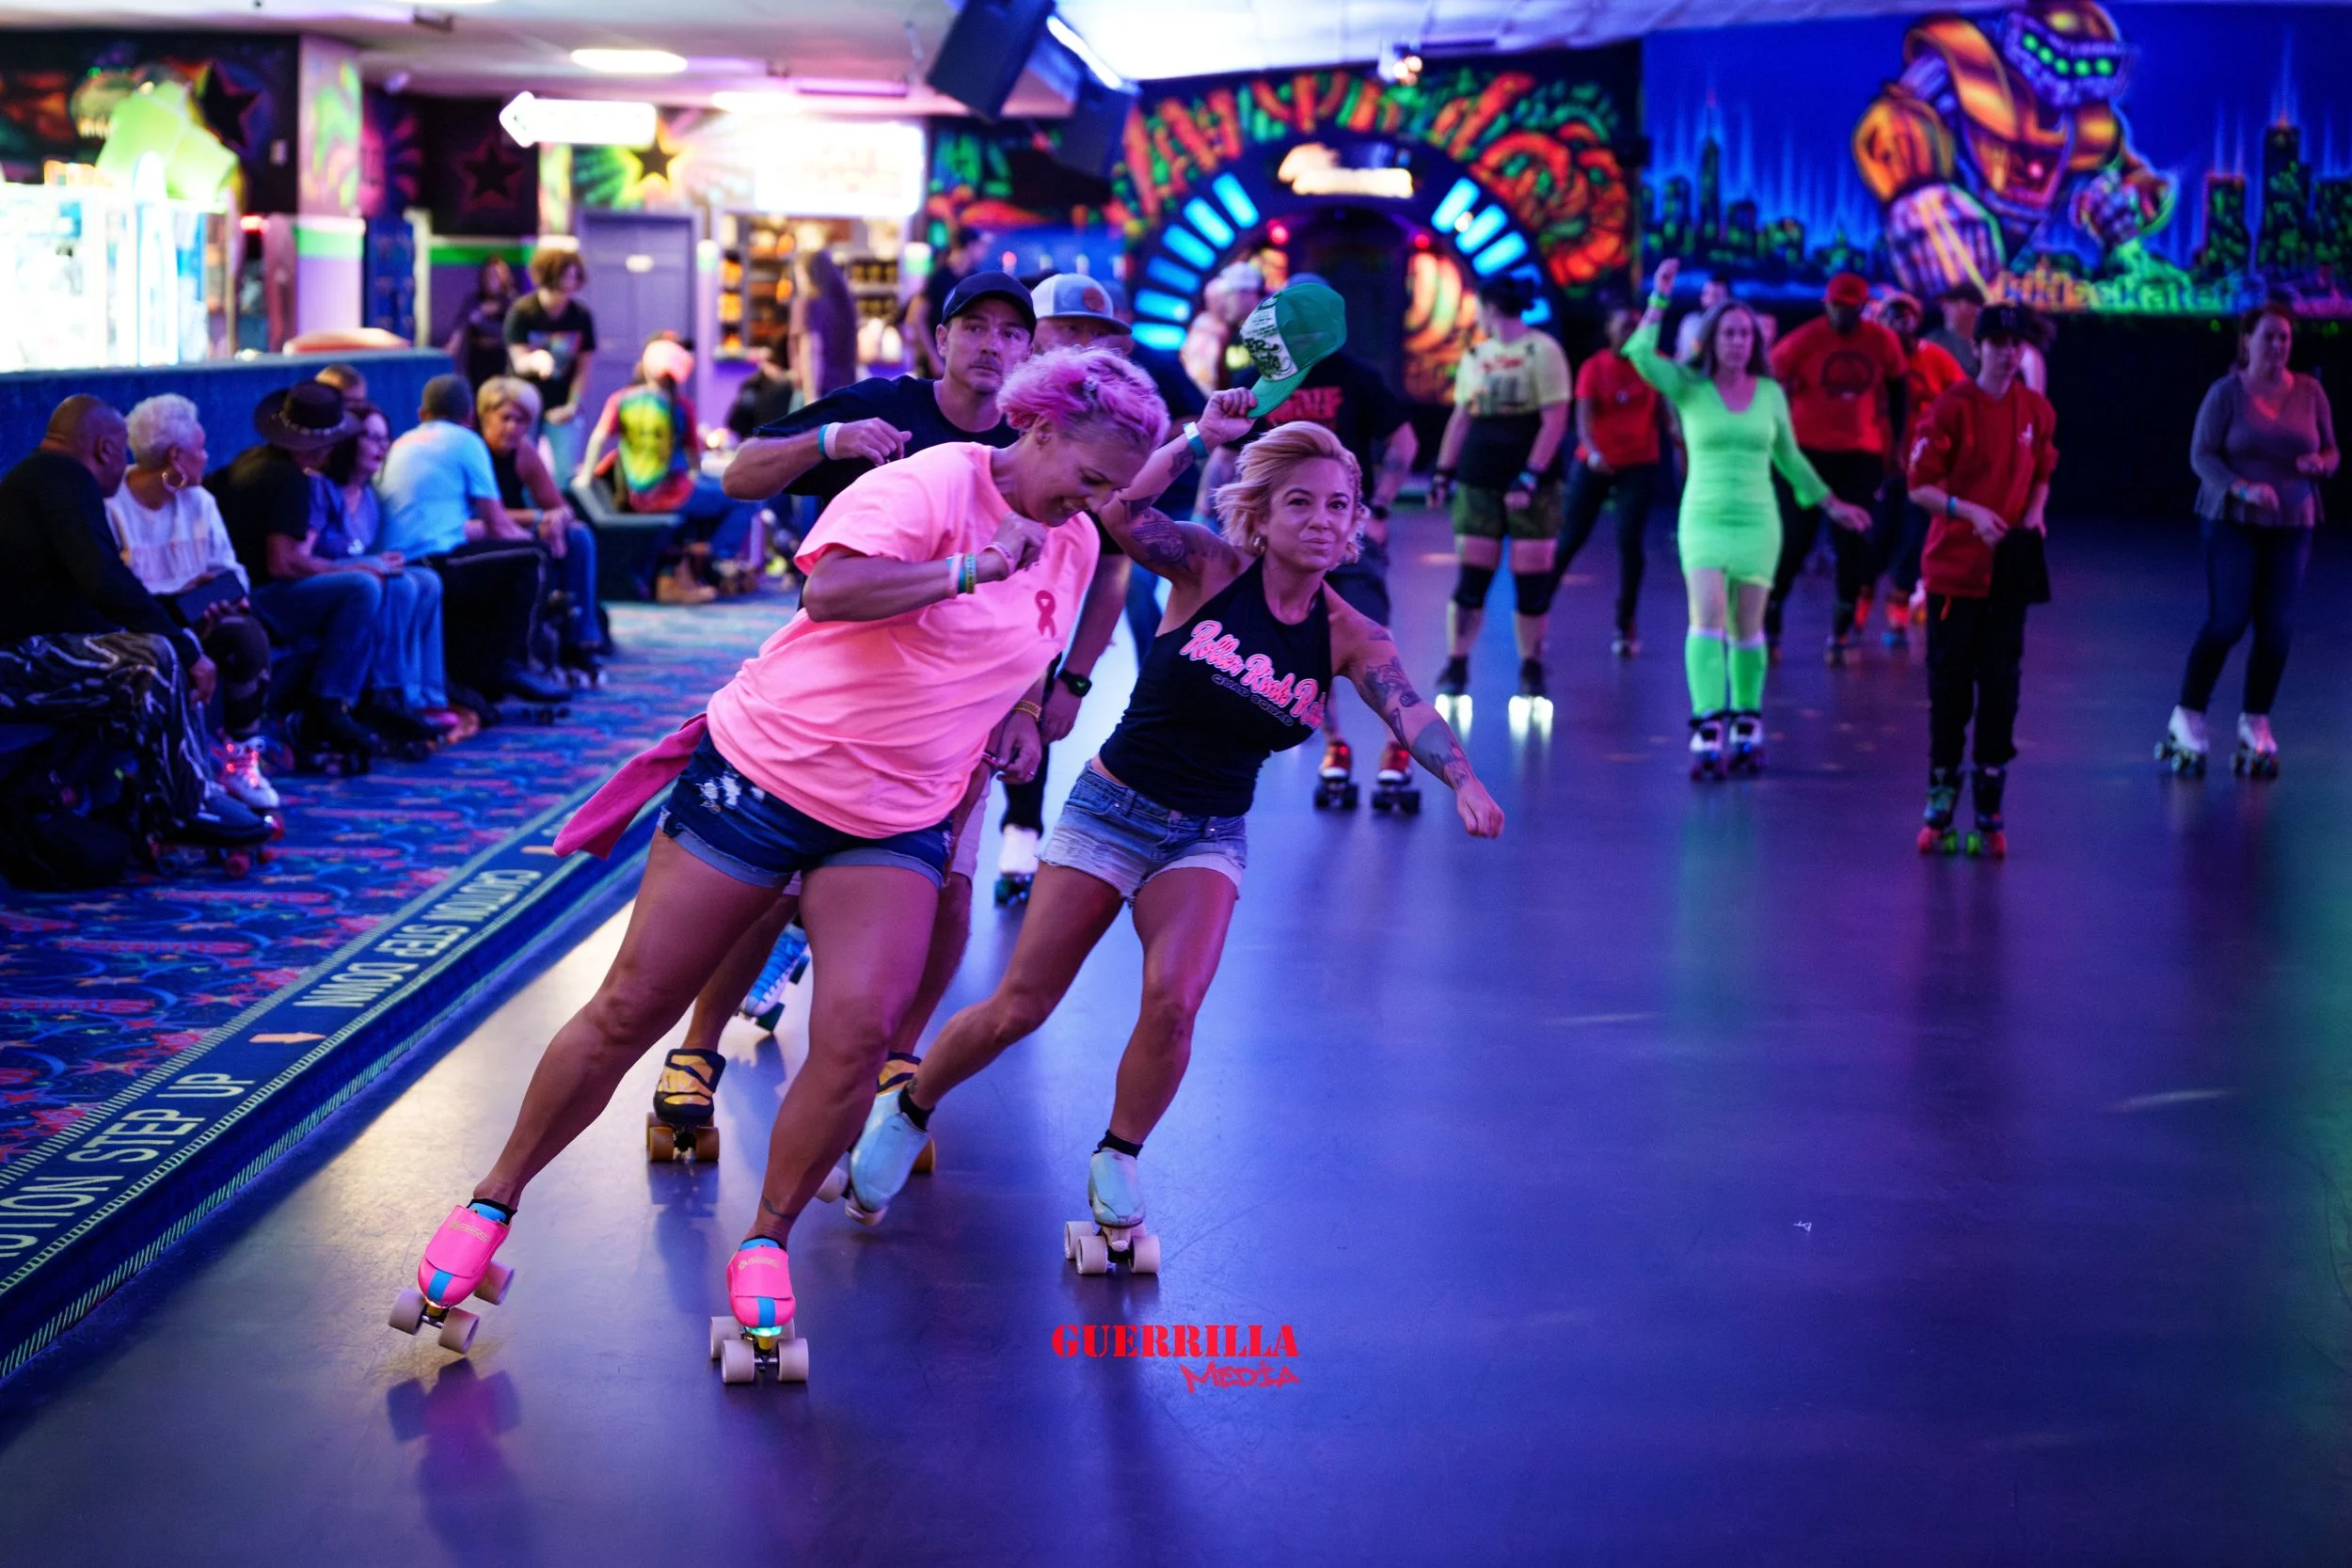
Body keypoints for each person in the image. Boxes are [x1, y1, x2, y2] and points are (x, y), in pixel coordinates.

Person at [389, 347, 1170, 1370]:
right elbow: (831, 591)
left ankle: (764, 1237)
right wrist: (971, 565)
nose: (1098, 501)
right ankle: (491, 1201)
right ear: (1042, 428)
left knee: (856, 1035)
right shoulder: (933, 481)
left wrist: (1026, 711)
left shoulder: (1071, 541)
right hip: (763, 773)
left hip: (894, 817)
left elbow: (1026, 639)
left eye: (1115, 487)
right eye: (1094, 474)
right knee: (633, 1003)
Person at [837, 415, 1505, 1251]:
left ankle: (1119, 1152)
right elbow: (1120, 512)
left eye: (1340, 506)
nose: (1323, 520)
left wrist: (1465, 779)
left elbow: (1406, 709)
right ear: (1258, 516)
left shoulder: (1350, 634)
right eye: (1300, 502)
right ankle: (909, 1107)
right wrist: (1197, 438)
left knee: (1175, 1004)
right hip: (1110, 809)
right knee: (1021, 1005)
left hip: (1206, 834)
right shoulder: (1207, 565)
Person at [1625, 260, 1870, 777]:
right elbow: (1642, 355)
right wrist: (1661, 297)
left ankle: (1748, 720)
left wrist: (1832, 504)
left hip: (1759, 521)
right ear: (1712, 338)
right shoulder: (1689, 386)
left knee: (1747, 626)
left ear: (1755, 342)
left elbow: (1791, 458)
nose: (1738, 341)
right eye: (1729, 332)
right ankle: (1707, 721)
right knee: (1707, 616)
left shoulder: (1770, 394)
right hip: (1704, 518)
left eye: (1745, 333)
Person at [0, 395, 270, 853]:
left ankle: (159, 797)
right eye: (122, 451)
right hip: (13, 659)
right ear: (105, 448)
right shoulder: (62, 477)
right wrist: (185, 647)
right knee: (154, 658)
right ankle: (186, 803)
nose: (124, 463)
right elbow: (105, 581)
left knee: (151, 648)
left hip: (31, 649)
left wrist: (167, 623)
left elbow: (88, 595)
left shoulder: (45, 478)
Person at [1199, 274, 1417, 803]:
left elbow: (1403, 441)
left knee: (1369, 639)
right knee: (1308, 646)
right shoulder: (1265, 379)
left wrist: (1380, 507)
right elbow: (1229, 455)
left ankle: (1399, 746)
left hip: (1347, 531)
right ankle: (1335, 745)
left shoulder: (1355, 377)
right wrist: (1208, 511)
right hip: (1282, 542)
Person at [2158, 301, 2339, 779]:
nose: (2278, 347)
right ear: (2247, 341)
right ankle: (2188, 715)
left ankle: (2255, 720)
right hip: (2232, 519)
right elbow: (2201, 456)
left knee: (2276, 629)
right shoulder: (2226, 393)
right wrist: (2242, 488)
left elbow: (2330, 448)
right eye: (2268, 337)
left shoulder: (2310, 391)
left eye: (2284, 338)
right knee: (2228, 620)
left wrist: (2321, 464)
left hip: (2293, 521)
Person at [1905, 302, 2057, 857]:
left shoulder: (2036, 411)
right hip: (1955, 570)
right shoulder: (1951, 408)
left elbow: (2043, 470)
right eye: (1998, 344)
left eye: (2017, 344)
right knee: (1950, 686)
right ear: (1978, 347)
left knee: (2001, 684)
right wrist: (1969, 513)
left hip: (2008, 570)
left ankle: (1990, 797)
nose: (2009, 353)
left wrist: (2034, 512)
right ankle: (1942, 793)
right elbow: (1919, 485)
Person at [211, 384, 435, 760]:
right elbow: (283, 563)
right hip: (257, 599)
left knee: (378, 581)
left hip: (238, 591)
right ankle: (331, 702)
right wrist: (357, 567)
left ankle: (385, 694)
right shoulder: (290, 479)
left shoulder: (254, 460)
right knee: (362, 587)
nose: (334, 448)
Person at [105, 395, 278, 808]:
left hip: (202, 621)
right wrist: (180, 599)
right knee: (170, 653)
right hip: (145, 630)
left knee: (245, 636)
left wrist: (216, 592)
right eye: (201, 449)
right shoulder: (112, 507)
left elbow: (233, 573)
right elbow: (114, 594)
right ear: (176, 457)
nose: (207, 456)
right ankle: (179, 782)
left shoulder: (199, 502)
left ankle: (241, 764)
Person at [376, 374, 570, 710]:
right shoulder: (466, 442)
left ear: (423, 413)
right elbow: (498, 525)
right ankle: (514, 664)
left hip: (397, 559)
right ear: (470, 417)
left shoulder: (404, 441)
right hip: (430, 559)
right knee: (534, 557)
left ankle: (485, 670)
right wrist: (542, 544)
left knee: (516, 558)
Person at [1426, 275, 1572, 705]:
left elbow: (1555, 419)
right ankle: (1456, 663)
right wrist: (1443, 472)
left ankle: (1531, 665)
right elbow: (1462, 418)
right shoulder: (1476, 355)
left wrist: (1530, 474)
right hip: (1480, 474)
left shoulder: (1543, 351)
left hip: (1532, 478)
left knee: (1531, 580)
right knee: (1472, 579)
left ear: (1490, 307)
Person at [1764, 271, 1908, 664]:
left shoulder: (1881, 341)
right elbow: (1770, 383)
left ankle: (1842, 632)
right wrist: (1777, 436)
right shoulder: (1805, 340)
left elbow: (1898, 390)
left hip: (1860, 453)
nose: (1844, 315)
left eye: (1852, 309)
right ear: (1826, 305)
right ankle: (1771, 623)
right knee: (1795, 539)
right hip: (1807, 452)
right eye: (1838, 307)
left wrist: (1896, 444)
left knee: (1853, 544)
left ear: (1863, 309)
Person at [319, 403, 461, 742]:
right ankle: (385, 693)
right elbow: (303, 559)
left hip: (353, 577)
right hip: (318, 582)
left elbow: (362, 552)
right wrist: (371, 564)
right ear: (349, 441)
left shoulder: (369, 496)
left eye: (386, 440)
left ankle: (421, 696)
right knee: (395, 586)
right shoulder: (322, 488)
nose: (382, 448)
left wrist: (381, 560)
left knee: (425, 581)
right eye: (371, 438)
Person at [583, 337, 756, 606]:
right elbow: (694, 462)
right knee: (746, 496)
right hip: (674, 494)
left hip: (636, 495)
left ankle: (690, 566)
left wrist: (585, 477)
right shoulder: (680, 406)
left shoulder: (622, 400)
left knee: (711, 498)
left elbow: (598, 438)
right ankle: (716, 558)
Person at [1549, 307, 1662, 658]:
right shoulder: (1593, 367)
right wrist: (1594, 452)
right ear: (1608, 330)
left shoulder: (1652, 362)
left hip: (1639, 462)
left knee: (1630, 542)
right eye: (1624, 326)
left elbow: (1670, 404)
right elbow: (1582, 420)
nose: (1630, 333)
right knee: (1569, 539)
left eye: (1635, 327)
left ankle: (1625, 622)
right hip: (1596, 462)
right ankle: (1537, 611)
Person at [479, 376, 604, 677]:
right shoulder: (473, 449)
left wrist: (557, 521)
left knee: (578, 535)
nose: (513, 428)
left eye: (522, 421)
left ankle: (580, 639)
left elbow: (560, 506)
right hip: (480, 532)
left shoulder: (522, 451)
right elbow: (483, 514)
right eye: (506, 418)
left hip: (516, 531)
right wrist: (537, 518)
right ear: (485, 416)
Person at [1865, 292, 1965, 648]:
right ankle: (1852, 623)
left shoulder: (1933, 358)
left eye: (1906, 318)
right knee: (1872, 545)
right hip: (1874, 467)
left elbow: (1959, 400)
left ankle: (1897, 624)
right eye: (1893, 317)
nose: (1899, 325)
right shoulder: (1868, 358)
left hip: (1919, 471)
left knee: (1911, 544)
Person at [504, 246, 598, 484]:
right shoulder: (523, 312)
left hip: (562, 406)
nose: (570, 281)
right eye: (565, 274)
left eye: (574, 275)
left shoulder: (581, 315)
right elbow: (519, 362)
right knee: (522, 472)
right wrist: (538, 360)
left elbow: (583, 367)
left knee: (564, 474)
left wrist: (573, 405)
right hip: (524, 405)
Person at [907, 228, 988, 379]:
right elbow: (916, 318)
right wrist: (933, 358)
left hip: (964, 365)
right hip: (937, 366)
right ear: (970, 245)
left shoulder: (975, 276)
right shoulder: (939, 276)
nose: (984, 251)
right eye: (981, 246)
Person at [791, 249, 862, 404]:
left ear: (808, 274)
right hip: (845, 390)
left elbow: (811, 350)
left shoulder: (808, 304)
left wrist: (810, 397)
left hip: (818, 391)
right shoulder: (845, 305)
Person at [445, 256, 518, 391]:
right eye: (489, 275)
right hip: (478, 359)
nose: (492, 280)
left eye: (496, 275)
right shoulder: (474, 300)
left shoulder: (511, 302)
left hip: (501, 358)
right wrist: (453, 344)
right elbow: (461, 325)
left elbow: (510, 332)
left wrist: (483, 318)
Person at [725, 342, 799, 441]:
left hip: (758, 444)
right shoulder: (794, 387)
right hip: (782, 444)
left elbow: (734, 422)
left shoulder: (752, 386)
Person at [1925, 281, 1983, 379]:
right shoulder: (1933, 340)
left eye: (1950, 303)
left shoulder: (1988, 344)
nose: (1943, 307)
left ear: (1966, 306)